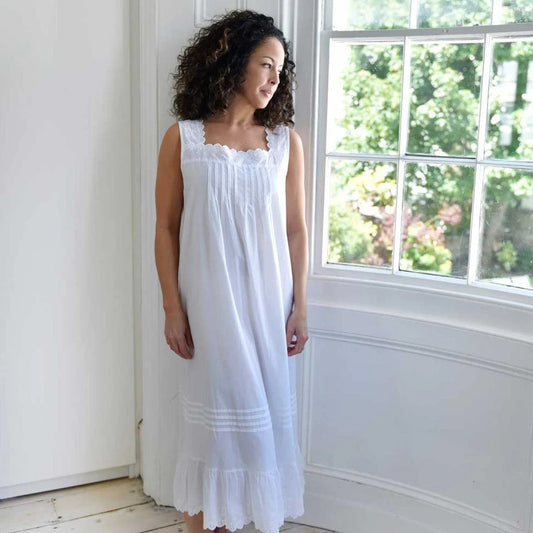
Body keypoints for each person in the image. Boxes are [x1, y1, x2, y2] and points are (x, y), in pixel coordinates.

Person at [154, 9, 309, 533]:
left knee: (260, 427)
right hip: (208, 306)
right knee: (213, 431)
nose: (274, 78)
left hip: (268, 307)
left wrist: (300, 306)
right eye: (265, 64)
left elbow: (295, 230)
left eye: (280, 70)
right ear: (233, 61)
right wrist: (172, 308)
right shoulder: (184, 138)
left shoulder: (285, 142)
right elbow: (166, 229)